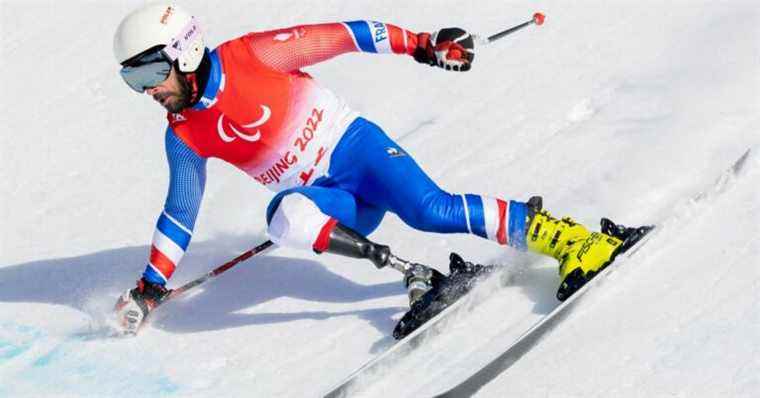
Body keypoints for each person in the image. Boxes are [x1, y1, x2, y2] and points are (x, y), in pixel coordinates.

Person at [112, 3, 636, 334]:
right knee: (285, 218)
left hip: (354, 148)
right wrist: (151, 285)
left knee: (431, 210)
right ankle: (415, 275)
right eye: (135, 83)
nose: (150, 91)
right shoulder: (182, 134)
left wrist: (422, 45)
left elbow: (342, 34)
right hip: (332, 199)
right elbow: (180, 211)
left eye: (152, 73)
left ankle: (572, 239)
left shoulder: (252, 56)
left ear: (185, 52)